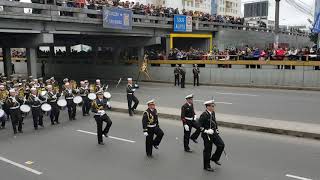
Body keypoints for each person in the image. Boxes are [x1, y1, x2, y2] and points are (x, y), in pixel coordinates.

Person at [198, 99, 225, 172]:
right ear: (207, 107)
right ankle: (206, 166)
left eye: (213, 106)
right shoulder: (203, 115)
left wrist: (216, 129)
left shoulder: (213, 113)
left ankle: (214, 158)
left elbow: (214, 122)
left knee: (221, 145)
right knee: (208, 150)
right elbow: (198, 125)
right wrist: (206, 130)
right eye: (212, 106)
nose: (213, 107)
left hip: (213, 133)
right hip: (207, 135)